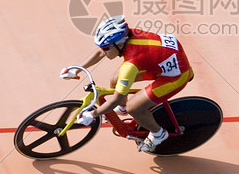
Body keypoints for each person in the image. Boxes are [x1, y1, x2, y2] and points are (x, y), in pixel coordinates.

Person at [61, 15, 194, 152]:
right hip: (163, 61)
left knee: (134, 108)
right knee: (115, 79)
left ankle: (158, 133)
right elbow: (100, 53)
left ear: (119, 44)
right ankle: (122, 109)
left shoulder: (130, 64)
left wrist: (93, 114)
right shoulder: (129, 34)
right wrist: (77, 69)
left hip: (175, 77)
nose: (103, 51)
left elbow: (114, 100)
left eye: (106, 48)